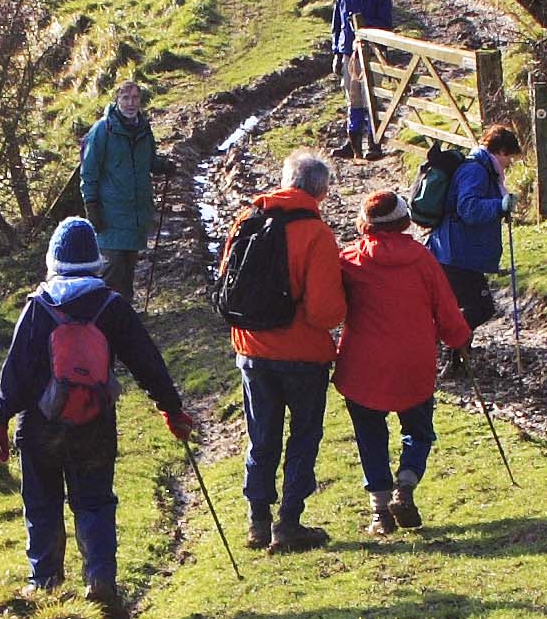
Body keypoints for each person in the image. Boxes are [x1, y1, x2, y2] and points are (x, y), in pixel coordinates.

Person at [0, 217, 197, 619]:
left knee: (42, 505)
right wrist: (171, 408)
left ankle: (44, 584)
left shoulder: (38, 307)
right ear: (94, 261)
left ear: (54, 260)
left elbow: (14, 372)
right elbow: (146, 361)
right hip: (94, 423)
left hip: (40, 427)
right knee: (95, 503)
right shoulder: (111, 306)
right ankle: (101, 581)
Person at [222, 148, 349, 551]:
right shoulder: (316, 234)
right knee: (304, 435)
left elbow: (227, 281)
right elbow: (325, 312)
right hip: (302, 353)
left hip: (251, 349)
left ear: (285, 181)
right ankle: (289, 522)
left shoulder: (246, 220)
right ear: (321, 192)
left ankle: (257, 520)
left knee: (261, 435)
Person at [336, 188, 472, 535]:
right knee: (418, 430)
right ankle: (406, 483)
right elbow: (445, 307)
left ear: (365, 224)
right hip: (414, 363)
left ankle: (380, 512)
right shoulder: (422, 258)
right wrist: (459, 339)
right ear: (404, 220)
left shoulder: (349, 260)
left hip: (363, 367)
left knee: (370, 434)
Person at [432, 123, 526, 371]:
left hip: (457, 251)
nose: (509, 164)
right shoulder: (476, 171)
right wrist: (499, 206)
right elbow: (468, 208)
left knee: (467, 307)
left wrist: (500, 207)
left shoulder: (483, 169)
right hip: (457, 254)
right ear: (502, 151)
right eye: (510, 158)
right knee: (480, 308)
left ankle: (457, 359)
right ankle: (450, 352)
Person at [77, 78, 160, 296]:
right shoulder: (102, 131)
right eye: (125, 98)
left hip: (136, 215)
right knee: (111, 269)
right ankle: (106, 319)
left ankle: (124, 316)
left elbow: (149, 160)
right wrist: (91, 204)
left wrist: (164, 166)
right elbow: (88, 171)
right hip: (110, 215)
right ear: (117, 100)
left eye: (135, 98)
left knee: (129, 268)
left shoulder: (144, 129)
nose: (130, 103)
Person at [329, 0, 395, 156]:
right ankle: (353, 142)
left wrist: (365, 30)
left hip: (372, 53)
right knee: (353, 98)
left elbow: (386, 24)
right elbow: (337, 25)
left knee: (372, 97)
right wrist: (337, 53)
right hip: (349, 54)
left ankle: (374, 143)